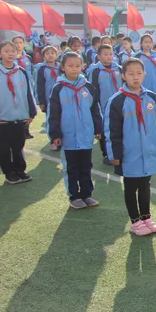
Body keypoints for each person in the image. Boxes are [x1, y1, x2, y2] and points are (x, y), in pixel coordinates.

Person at [105, 58, 156, 236]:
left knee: (145, 185)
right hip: (129, 153)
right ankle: (135, 221)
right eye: (131, 74)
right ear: (123, 76)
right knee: (131, 187)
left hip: (148, 151)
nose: (135, 77)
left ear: (144, 74)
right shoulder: (117, 101)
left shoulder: (152, 97)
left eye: (139, 73)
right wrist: (114, 154)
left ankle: (146, 217)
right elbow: (112, 130)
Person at [48, 52, 103, 209]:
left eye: (77, 66)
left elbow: (95, 110)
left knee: (86, 167)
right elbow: (53, 114)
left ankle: (87, 194)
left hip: (86, 137)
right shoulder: (58, 89)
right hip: (68, 138)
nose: (74, 69)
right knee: (71, 168)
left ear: (83, 66)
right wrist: (55, 134)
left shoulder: (88, 87)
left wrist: (98, 128)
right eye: (70, 66)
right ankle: (74, 196)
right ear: (63, 67)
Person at [0, 41, 37, 184]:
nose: (10, 54)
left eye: (13, 51)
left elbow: (28, 92)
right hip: (3, 117)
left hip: (20, 116)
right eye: (6, 51)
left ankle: (19, 170)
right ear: (0, 54)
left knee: (19, 145)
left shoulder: (21, 71)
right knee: (5, 147)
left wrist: (31, 112)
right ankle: (8, 172)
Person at [87, 44, 123, 164]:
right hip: (102, 106)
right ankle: (107, 154)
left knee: (119, 129)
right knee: (105, 131)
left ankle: (119, 152)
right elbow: (93, 90)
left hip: (119, 106)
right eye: (105, 54)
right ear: (98, 56)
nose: (109, 57)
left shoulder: (119, 69)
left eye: (111, 54)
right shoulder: (96, 71)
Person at [34, 46, 59, 150]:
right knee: (51, 120)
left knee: (62, 120)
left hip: (61, 99)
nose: (50, 55)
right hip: (49, 99)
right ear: (43, 56)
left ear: (56, 55)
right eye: (47, 53)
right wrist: (41, 101)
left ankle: (61, 140)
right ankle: (53, 140)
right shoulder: (42, 69)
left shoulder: (61, 67)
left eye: (52, 53)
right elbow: (39, 86)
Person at [135, 34, 156, 100]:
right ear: (141, 44)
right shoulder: (137, 56)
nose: (147, 44)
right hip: (143, 87)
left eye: (149, 42)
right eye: (145, 42)